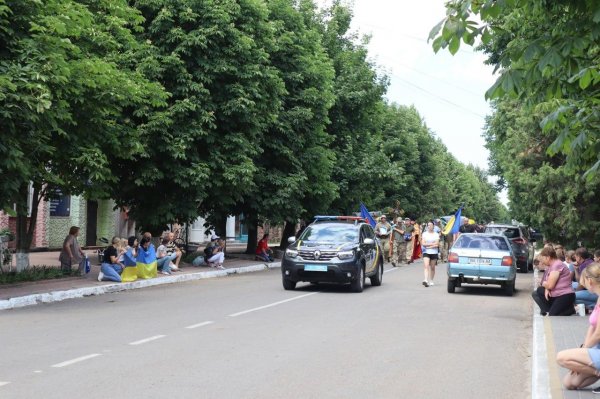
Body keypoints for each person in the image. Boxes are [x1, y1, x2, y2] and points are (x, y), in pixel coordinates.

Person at [556, 262, 600, 390]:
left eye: (584, 282)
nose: (583, 285)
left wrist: (582, 352)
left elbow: (598, 333)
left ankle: (596, 370)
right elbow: (592, 327)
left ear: (590, 281)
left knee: (561, 358)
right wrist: (584, 349)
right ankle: (597, 371)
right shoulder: (598, 299)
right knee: (570, 382)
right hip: (596, 348)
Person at [531, 246, 575, 316]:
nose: (542, 261)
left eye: (542, 259)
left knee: (553, 315)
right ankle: (550, 309)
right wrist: (546, 289)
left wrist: (544, 284)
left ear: (548, 257)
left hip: (564, 295)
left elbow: (549, 285)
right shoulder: (551, 266)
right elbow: (546, 280)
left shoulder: (557, 265)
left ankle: (570, 310)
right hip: (557, 293)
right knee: (539, 290)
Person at [421, 221, 440, 287]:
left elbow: (437, 244)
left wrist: (428, 245)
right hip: (426, 252)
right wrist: (432, 244)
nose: (429, 226)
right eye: (428, 225)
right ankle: (425, 280)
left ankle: (431, 280)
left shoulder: (436, 234)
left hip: (434, 252)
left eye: (431, 225)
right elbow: (423, 243)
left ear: (433, 226)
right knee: (426, 266)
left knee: (432, 267)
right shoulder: (424, 234)